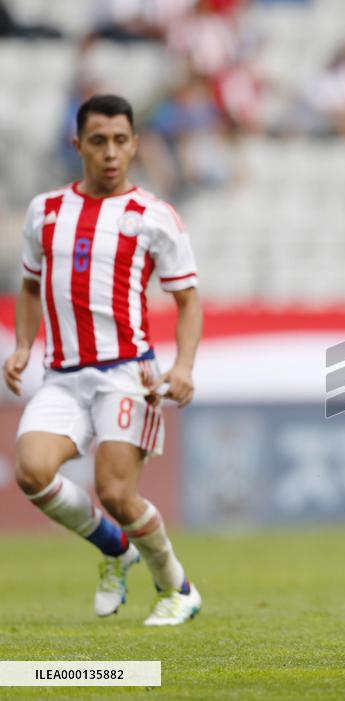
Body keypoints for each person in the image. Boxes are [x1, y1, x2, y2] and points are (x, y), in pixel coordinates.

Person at [3, 94, 204, 626]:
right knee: (32, 473)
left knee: (116, 491)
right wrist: (24, 344)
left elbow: (187, 301)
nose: (111, 152)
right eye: (98, 141)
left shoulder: (154, 215)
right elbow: (28, 286)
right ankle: (116, 551)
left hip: (126, 372)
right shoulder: (45, 211)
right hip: (63, 375)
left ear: (135, 144)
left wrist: (182, 367)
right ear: (78, 146)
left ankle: (178, 588)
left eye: (120, 141)